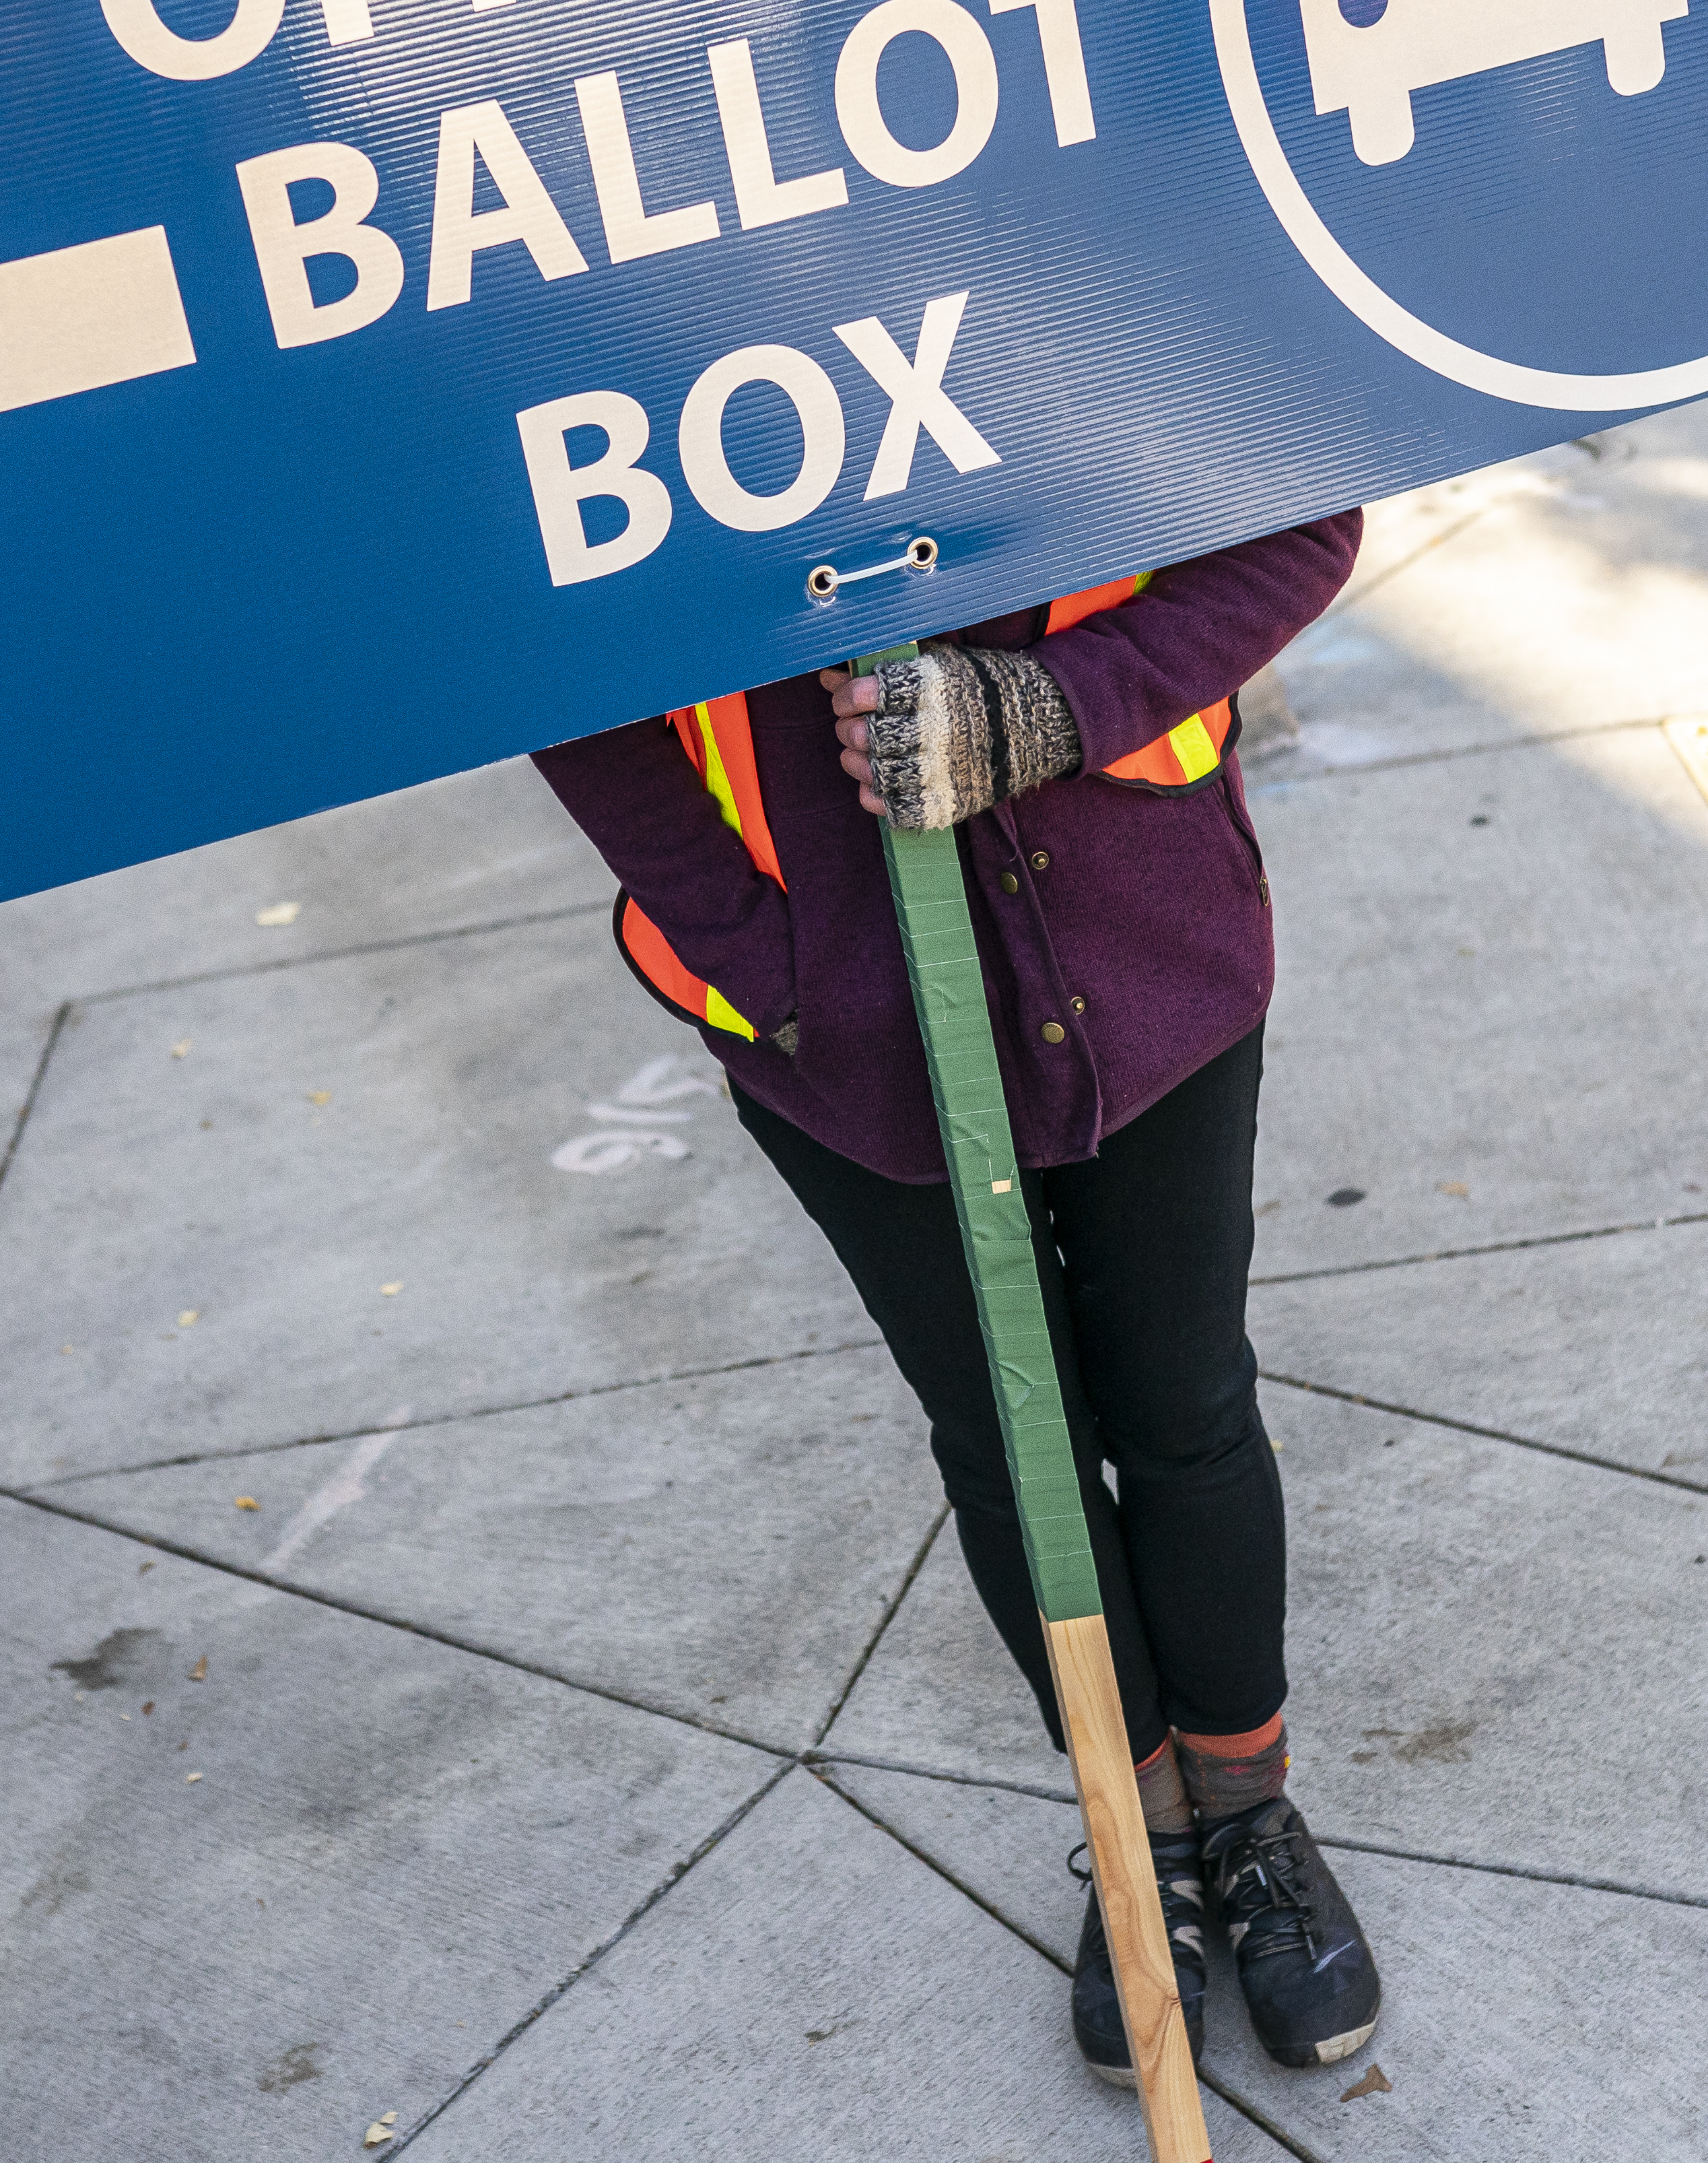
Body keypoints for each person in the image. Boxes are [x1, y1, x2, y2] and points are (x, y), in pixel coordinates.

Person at [531, 514, 1383, 2086]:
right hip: (834, 1023)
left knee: (1186, 1406)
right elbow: (545, 654)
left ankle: (1249, 1821)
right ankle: (1139, 1852)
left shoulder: (1095, 263)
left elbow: (1305, 520)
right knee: (1011, 1442)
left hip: (1149, 944)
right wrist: (772, 956)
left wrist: (1063, 706)